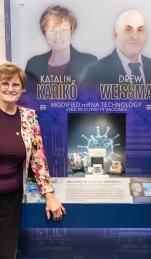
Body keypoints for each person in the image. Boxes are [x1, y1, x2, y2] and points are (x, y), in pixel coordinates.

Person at [0, 63, 66, 258]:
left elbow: (38, 158)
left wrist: (50, 194)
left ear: (22, 89)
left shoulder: (29, 117)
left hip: (11, 199)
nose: (10, 89)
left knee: (6, 252)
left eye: (16, 85)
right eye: (5, 83)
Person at [82, 9, 151, 94]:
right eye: (128, 30)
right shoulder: (95, 73)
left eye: (140, 30)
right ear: (115, 33)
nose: (135, 36)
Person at [25, 5, 97, 86]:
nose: (58, 36)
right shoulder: (33, 65)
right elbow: (29, 97)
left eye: (63, 30)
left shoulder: (89, 63)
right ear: (45, 34)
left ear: (72, 32)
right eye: (52, 31)